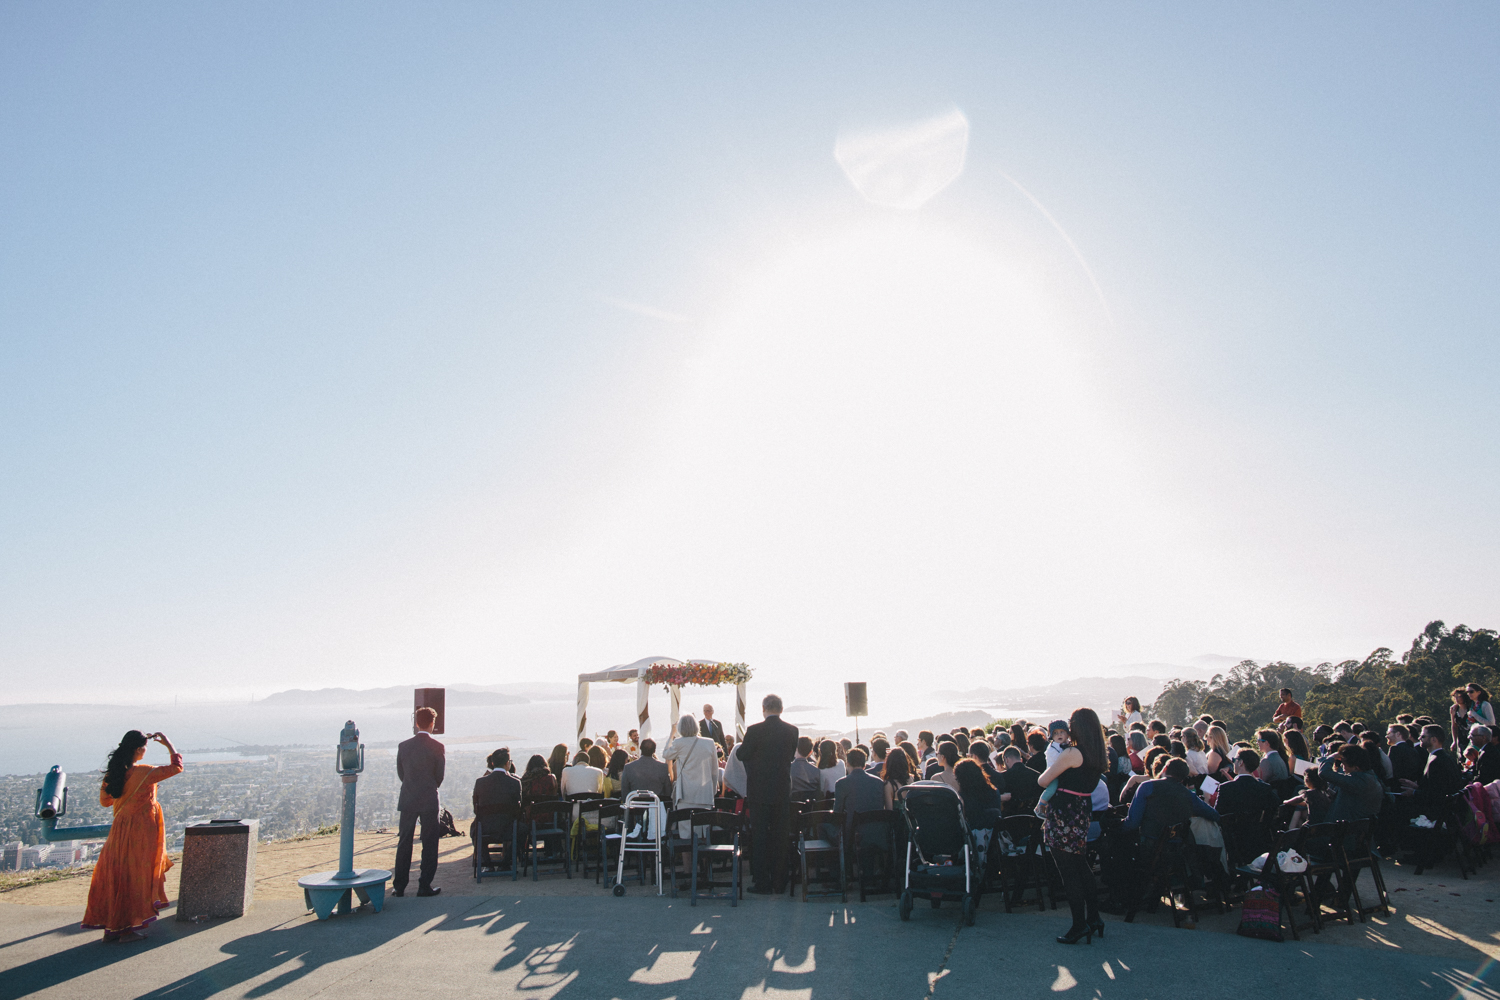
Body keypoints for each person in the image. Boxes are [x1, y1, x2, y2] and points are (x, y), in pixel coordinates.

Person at [81, 730, 183, 942]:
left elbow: (105, 801)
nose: (145, 751)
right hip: (140, 831)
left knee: (119, 876)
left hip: (119, 831)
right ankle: (125, 930)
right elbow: (177, 767)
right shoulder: (144, 772)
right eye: (144, 747)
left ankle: (114, 927)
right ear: (138, 750)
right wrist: (169, 745)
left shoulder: (114, 773)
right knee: (135, 877)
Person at [1036, 708, 1106, 945]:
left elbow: (1043, 780)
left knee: (1068, 871)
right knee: (1080, 864)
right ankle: (1094, 918)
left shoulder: (1072, 753)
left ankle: (1079, 925)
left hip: (1064, 811)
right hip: (1082, 809)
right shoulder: (1097, 753)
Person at [735, 693, 799, 894]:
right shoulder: (792, 731)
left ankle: (762, 882)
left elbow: (741, 754)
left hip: (759, 791)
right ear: (781, 709)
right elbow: (789, 756)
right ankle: (780, 882)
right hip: (781, 790)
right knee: (780, 837)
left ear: (764, 709)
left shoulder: (754, 731)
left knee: (760, 837)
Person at [394, 706, 446, 898]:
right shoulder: (438, 747)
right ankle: (424, 885)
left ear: (416, 723)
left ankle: (399, 886)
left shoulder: (403, 746)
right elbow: (439, 776)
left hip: (408, 797)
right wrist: (429, 787)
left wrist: (411, 786)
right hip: (429, 798)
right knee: (430, 842)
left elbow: (402, 774)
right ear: (432, 724)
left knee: (404, 842)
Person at [472, 748, 522, 865]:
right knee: (523, 830)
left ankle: (487, 863)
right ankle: (506, 862)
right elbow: (517, 809)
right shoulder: (515, 783)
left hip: (485, 827)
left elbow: (476, 809)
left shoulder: (480, 782)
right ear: (507, 763)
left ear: (493, 763)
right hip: (508, 828)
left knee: (475, 830)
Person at [664, 714, 719, 819]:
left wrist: (672, 734)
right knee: (704, 828)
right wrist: (712, 791)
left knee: (686, 828)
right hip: (705, 793)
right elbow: (714, 771)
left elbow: (666, 754)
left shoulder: (678, 743)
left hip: (685, 794)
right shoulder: (709, 743)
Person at [1323, 743, 1384, 823]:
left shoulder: (1359, 780)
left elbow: (1324, 773)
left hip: (1345, 830)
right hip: (1354, 828)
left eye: (1344, 764)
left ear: (1356, 767)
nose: (1342, 766)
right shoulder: (1370, 778)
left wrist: (1332, 757)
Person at [620, 738, 673, 803]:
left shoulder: (628, 767)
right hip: (656, 807)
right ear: (654, 751)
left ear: (640, 748)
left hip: (634, 807)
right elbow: (668, 792)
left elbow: (624, 792)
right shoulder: (663, 767)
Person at [880, 742, 915, 808]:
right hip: (909, 817)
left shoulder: (889, 784)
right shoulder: (911, 779)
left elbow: (889, 809)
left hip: (897, 817)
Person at [1450, 688, 1474, 756]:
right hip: (1461, 739)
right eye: (1455, 696)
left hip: (1472, 737)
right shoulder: (1454, 709)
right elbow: (1454, 726)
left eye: (1459, 696)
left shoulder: (1471, 708)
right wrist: (1454, 741)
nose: (1457, 699)